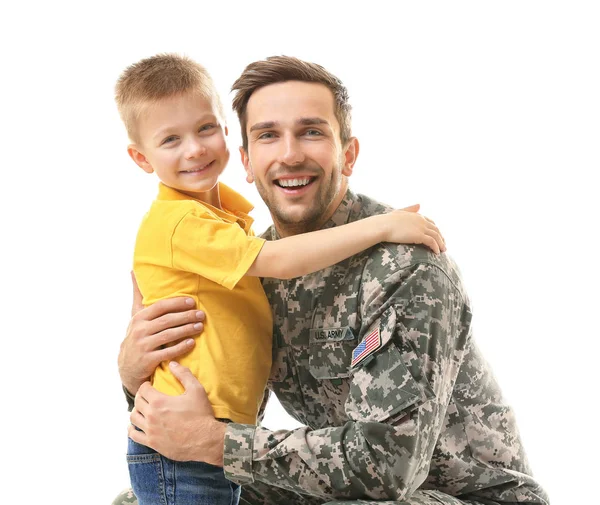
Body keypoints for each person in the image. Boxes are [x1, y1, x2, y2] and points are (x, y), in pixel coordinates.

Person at [115, 56, 549, 505]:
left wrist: (214, 442)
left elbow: (389, 466)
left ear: (349, 153)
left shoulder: (405, 265)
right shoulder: (253, 267)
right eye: (268, 135)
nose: (289, 154)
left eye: (312, 131)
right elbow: (218, 403)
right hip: (345, 492)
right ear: (245, 160)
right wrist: (135, 376)